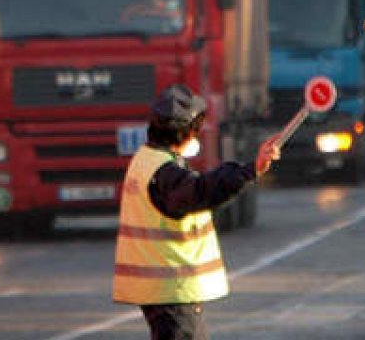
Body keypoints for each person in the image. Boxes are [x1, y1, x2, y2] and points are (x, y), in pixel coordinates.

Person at [112, 84, 280, 340]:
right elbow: (201, 191)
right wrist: (250, 170)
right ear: (186, 133)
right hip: (172, 290)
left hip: (160, 291)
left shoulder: (144, 160)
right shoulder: (164, 173)